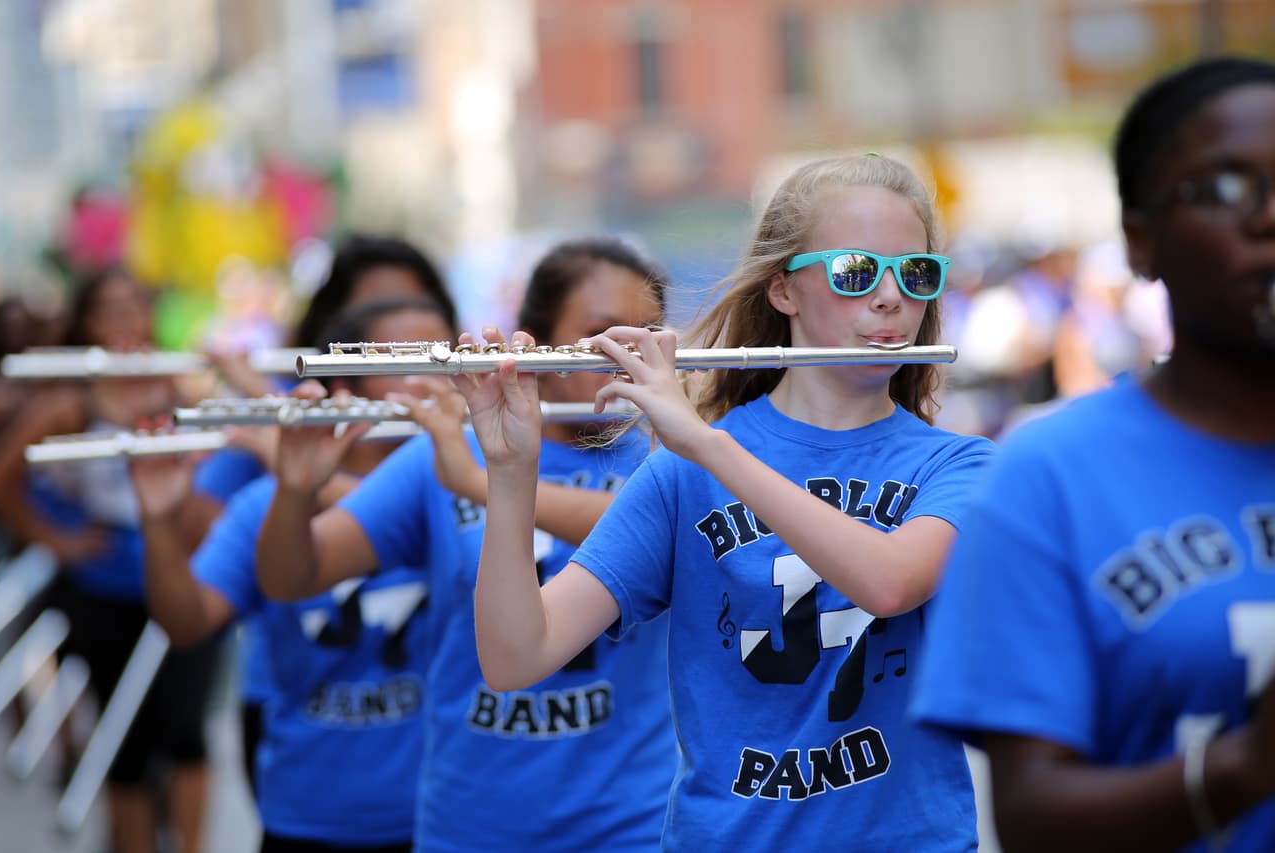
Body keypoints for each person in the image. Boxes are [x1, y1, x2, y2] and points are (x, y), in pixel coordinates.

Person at [464, 155, 996, 850]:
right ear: (784, 291)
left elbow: (889, 580)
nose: (891, 297)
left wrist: (707, 444)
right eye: (855, 272)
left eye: (916, 273)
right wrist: (510, 472)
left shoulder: (959, 463)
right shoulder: (681, 473)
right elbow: (516, 655)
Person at [908, 55, 1275, 852]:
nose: (1268, 218)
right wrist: (1243, 768)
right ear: (1141, 241)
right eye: (1224, 189)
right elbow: (1031, 812)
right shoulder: (1048, 474)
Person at [255, 236, 678, 851]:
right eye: (603, 333)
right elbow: (293, 576)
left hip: (631, 827)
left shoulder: (670, 453)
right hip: (472, 825)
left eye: (646, 335)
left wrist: (484, 484)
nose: (626, 355)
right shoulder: (450, 448)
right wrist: (293, 493)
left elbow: (651, 530)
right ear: (537, 339)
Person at [131, 297, 456, 853]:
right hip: (305, 815)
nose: (426, 381)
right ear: (349, 386)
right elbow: (187, 624)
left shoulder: (464, 498)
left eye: (441, 360)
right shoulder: (263, 504)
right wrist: (159, 526)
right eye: (403, 361)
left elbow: (399, 512)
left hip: (438, 818)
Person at [186, 234, 459, 802]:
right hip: (291, 699)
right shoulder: (291, 406)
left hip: (425, 756)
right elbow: (214, 538)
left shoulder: (459, 450)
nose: (416, 367)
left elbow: (403, 508)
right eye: (392, 345)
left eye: (429, 347)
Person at [0, 268, 215, 853]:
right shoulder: (72, 398)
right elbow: (3, 479)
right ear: (86, 322)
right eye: (107, 311)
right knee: (126, 742)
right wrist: (57, 539)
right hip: (105, 585)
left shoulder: (183, 387)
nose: (123, 324)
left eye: (133, 308)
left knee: (188, 730)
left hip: (188, 577)